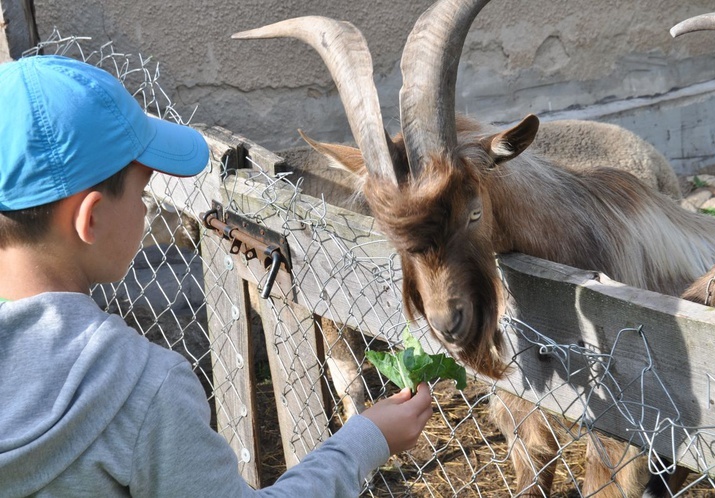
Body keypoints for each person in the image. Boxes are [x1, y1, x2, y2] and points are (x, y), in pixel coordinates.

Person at [0, 55, 433, 497]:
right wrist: (365, 441)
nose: (146, 206)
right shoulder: (142, 395)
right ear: (89, 220)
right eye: (143, 190)